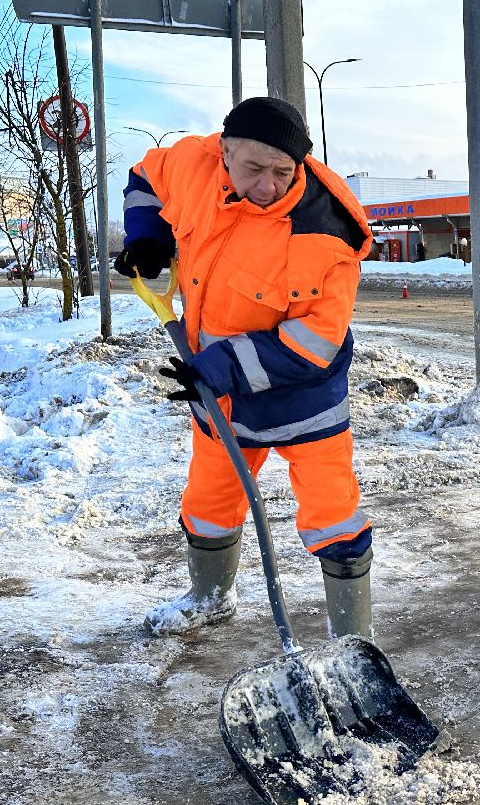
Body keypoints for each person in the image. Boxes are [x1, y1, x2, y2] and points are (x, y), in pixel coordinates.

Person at [115, 97, 376, 637]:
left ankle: (352, 640)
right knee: (210, 498)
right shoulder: (193, 163)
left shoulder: (326, 233)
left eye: (284, 172)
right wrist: (148, 237)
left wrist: (224, 364)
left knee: (333, 514)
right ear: (224, 150)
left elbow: (315, 344)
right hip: (220, 391)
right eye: (254, 168)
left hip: (304, 398)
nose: (268, 186)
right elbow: (143, 177)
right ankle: (210, 597)